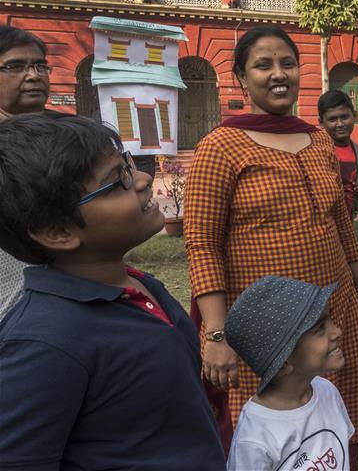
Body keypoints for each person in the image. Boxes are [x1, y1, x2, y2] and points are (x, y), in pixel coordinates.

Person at [184, 26, 358, 470]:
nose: (279, 74)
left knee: (332, 418)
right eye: (263, 65)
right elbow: (202, 242)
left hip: (331, 304)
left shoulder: (317, 141)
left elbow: (337, 219)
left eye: (287, 63)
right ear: (240, 78)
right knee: (269, 433)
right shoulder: (221, 147)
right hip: (263, 327)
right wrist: (216, 335)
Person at [0, 113, 225, 469]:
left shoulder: (140, 286)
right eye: (117, 180)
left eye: (128, 164)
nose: (143, 179)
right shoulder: (44, 343)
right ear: (58, 231)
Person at [225, 276, 353, 471]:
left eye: (330, 320)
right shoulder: (254, 438)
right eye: (320, 329)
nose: (336, 332)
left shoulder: (327, 392)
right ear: (284, 363)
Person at [0, 26, 50, 321]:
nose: (33, 75)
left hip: (67, 293)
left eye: (40, 65)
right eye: (15, 66)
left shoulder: (68, 136)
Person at [318, 90, 358, 219]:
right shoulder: (314, 151)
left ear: (354, 116)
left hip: (349, 222)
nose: (340, 124)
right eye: (332, 119)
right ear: (321, 122)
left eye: (344, 117)